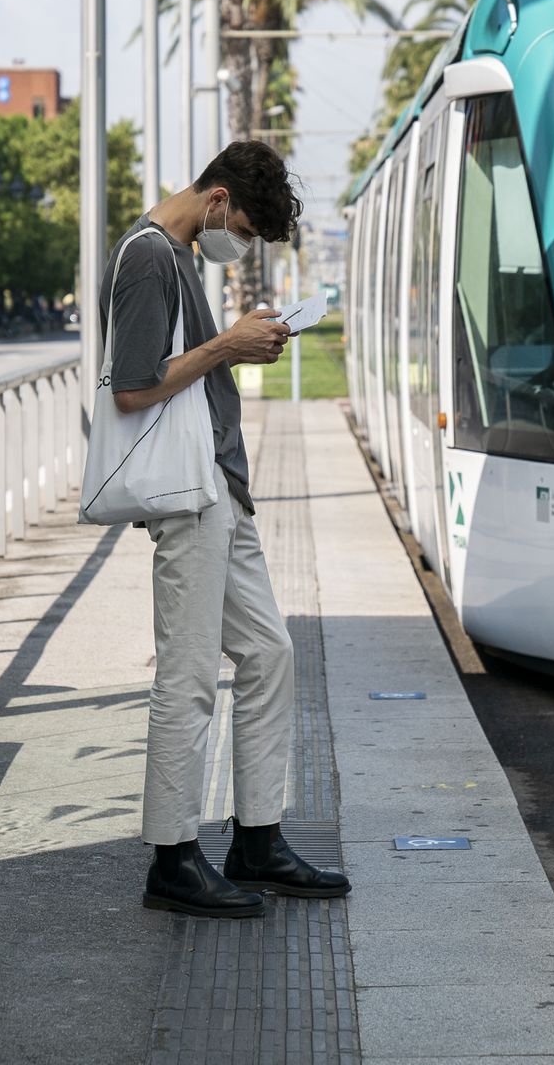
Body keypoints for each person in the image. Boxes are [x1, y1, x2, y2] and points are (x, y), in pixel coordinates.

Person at [100, 140, 351, 919]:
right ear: (215, 202)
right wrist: (226, 347)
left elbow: (187, 373)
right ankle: (173, 859)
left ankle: (258, 838)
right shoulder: (148, 258)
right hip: (188, 495)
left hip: (220, 489)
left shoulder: (177, 257)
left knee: (270, 653)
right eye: (240, 229)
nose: (236, 245)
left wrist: (239, 350)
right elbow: (134, 390)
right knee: (186, 674)